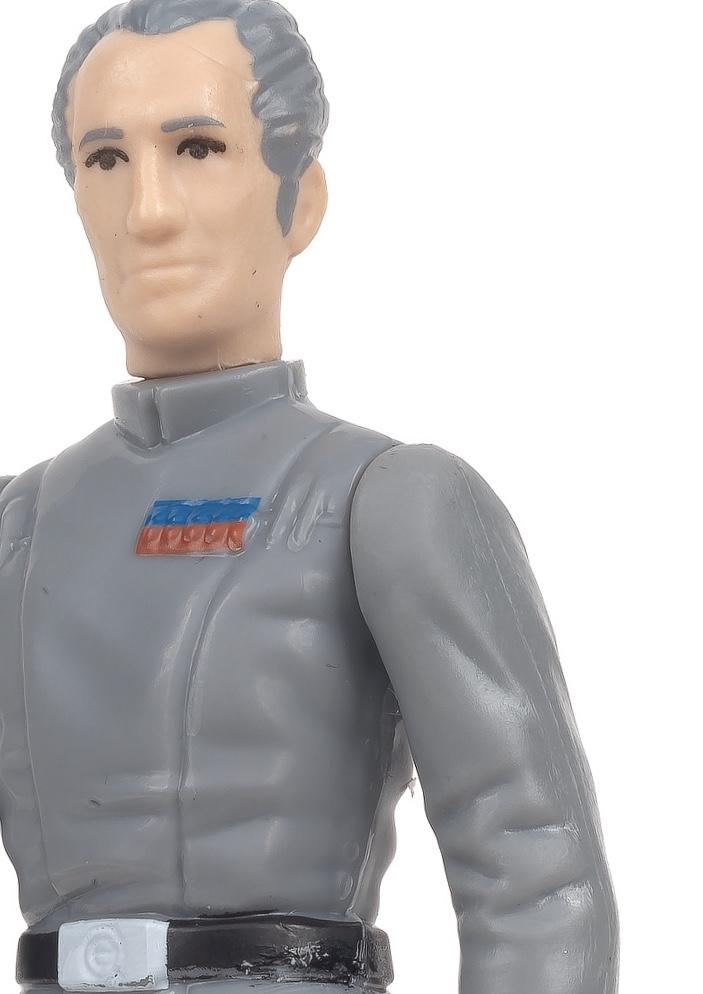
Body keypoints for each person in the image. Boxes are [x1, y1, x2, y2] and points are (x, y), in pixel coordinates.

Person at [0, 2, 618, 993]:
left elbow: (535, 877)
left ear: (301, 200)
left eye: (197, 148)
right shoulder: (20, 529)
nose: (147, 211)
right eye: (105, 159)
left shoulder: (386, 502)